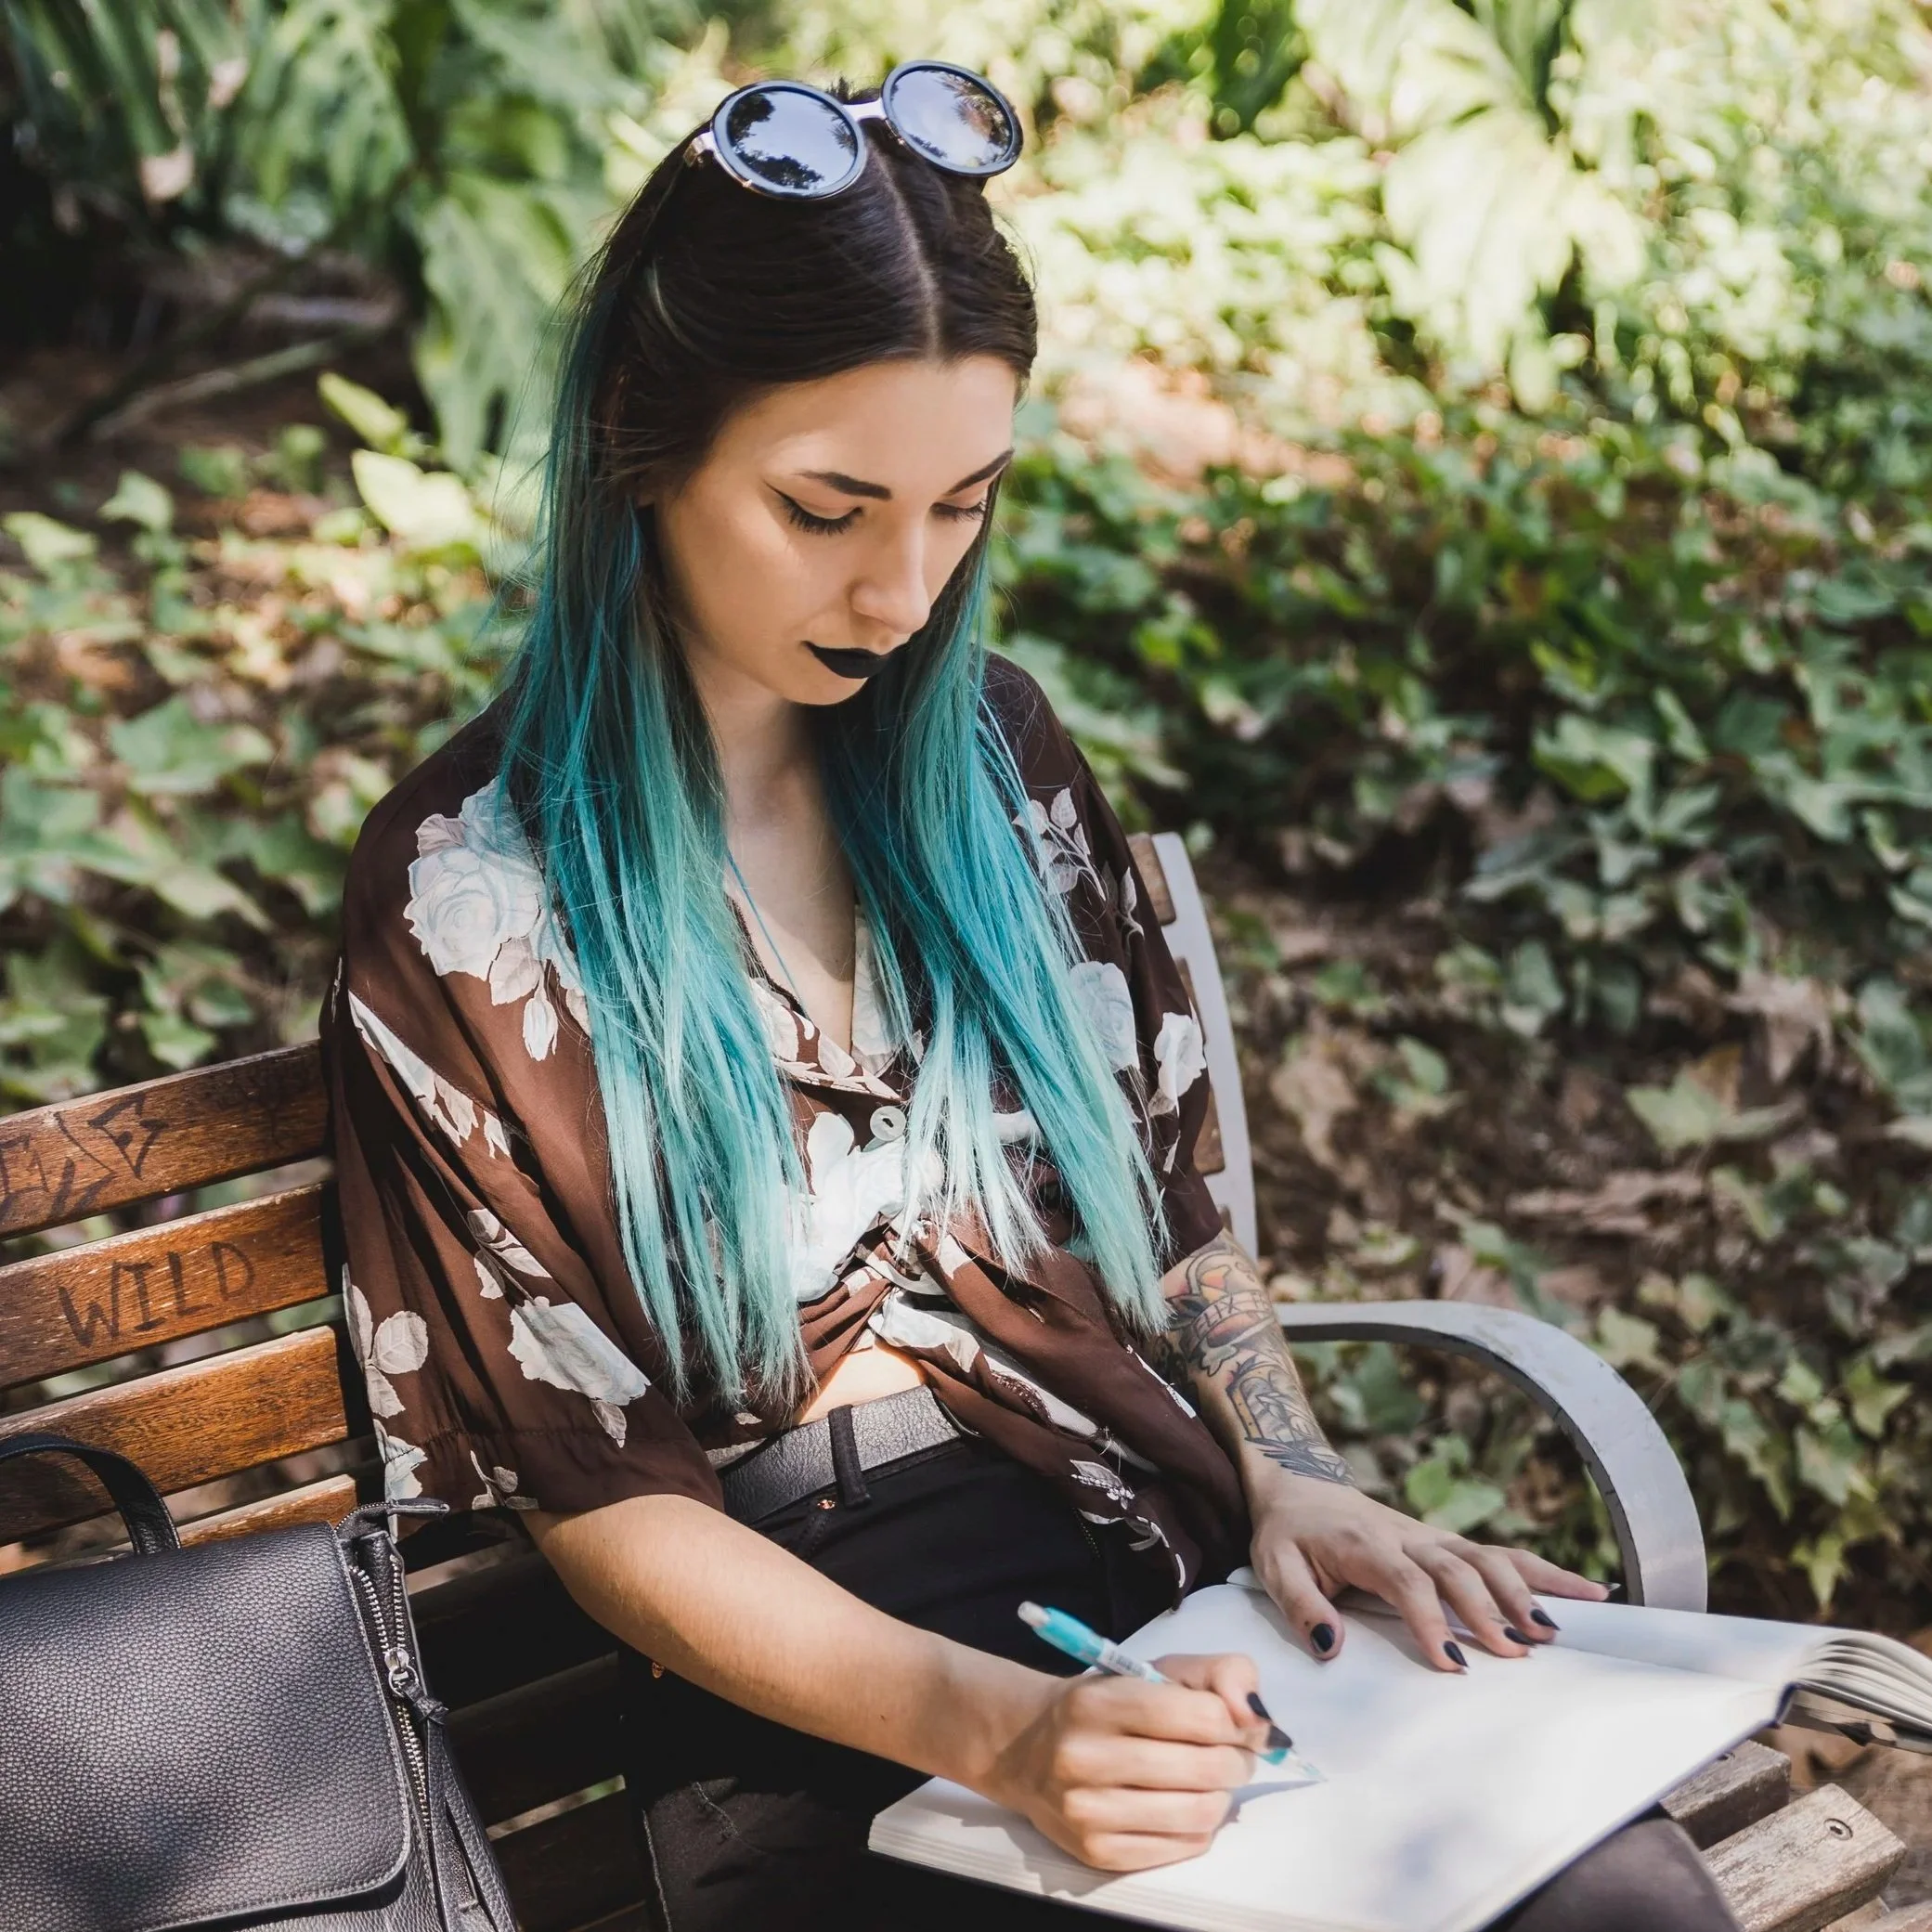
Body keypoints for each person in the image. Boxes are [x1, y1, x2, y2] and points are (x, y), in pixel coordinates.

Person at [319, 62, 1743, 1932]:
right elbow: (602, 1498)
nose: (902, 585)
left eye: (959, 505)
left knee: (1609, 1905)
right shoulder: (466, 891)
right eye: (826, 507)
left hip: (1160, 1565)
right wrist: (995, 1729)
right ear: (639, 453)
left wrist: (1293, 1473)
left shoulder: (991, 765)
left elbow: (1175, 1217)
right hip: (822, 1697)